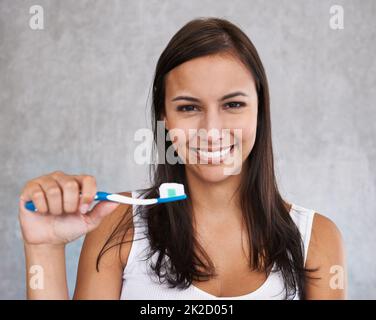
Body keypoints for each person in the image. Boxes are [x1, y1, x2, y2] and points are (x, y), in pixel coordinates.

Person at [19, 17, 346, 300]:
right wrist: (45, 249)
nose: (212, 129)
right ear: (164, 119)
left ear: (260, 111)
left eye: (233, 105)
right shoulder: (115, 228)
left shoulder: (317, 239)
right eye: (189, 107)